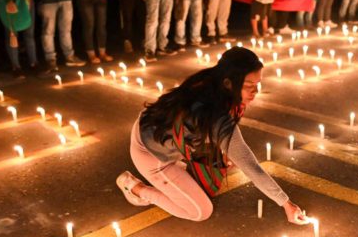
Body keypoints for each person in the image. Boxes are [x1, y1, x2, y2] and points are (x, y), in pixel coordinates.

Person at [117, 46, 308, 224]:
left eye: (258, 83)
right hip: (151, 156)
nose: (256, 91)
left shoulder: (210, 82)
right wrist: (286, 203)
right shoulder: (215, 115)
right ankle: (134, 187)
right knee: (200, 211)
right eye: (249, 85)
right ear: (228, 83)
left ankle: (176, 173)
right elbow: (250, 166)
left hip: (154, 132)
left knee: (219, 163)